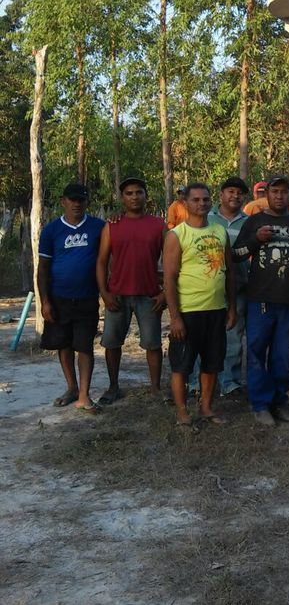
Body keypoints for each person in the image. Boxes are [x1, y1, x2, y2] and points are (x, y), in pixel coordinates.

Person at [232, 175, 289, 425]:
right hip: (260, 299)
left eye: (284, 192)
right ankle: (260, 404)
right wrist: (256, 240)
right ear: (266, 194)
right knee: (256, 351)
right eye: (275, 191)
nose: (279, 196)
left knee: (281, 355)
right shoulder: (255, 221)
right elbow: (236, 254)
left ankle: (279, 401)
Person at [163, 183, 237, 428]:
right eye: (196, 200)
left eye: (205, 199)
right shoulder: (177, 235)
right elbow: (169, 278)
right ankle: (182, 411)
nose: (201, 204)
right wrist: (175, 317)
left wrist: (232, 307)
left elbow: (229, 271)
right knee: (182, 365)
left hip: (215, 310)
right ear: (185, 203)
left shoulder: (219, 231)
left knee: (212, 362)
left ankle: (206, 407)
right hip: (188, 311)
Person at [96, 177, 167, 404]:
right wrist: (104, 294)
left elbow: (173, 260)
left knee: (153, 344)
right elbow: (101, 261)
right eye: (129, 193)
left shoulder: (159, 225)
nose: (134, 197)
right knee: (112, 342)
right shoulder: (112, 225)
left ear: (146, 195)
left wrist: (165, 292)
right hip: (117, 294)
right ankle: (113, 386)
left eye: (139, 192)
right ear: (122, 197)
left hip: (149, 294)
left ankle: (155, 388)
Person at [37, 183, 105, 413]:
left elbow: (107, 259)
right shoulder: (52, 230)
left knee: (84, 346)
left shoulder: (98, 227)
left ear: (87, 202)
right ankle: (72, 387)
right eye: (72, 199)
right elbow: (43, 268)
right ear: (63, 201)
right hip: (59, 298)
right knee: (63, 344)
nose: (77, 204)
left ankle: (84, 395)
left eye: (81, 200)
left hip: (87, 297)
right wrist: (45, 300)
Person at [209, 176, 250, 395]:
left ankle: (230, 383)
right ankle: (198, 383)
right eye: (231, 191)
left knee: (233, 337)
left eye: (240, 193)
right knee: (205, 336)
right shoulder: (206, 218)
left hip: (238, 288)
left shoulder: (249, 221)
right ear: (221, 194)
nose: (235, 196)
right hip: (208, 289)